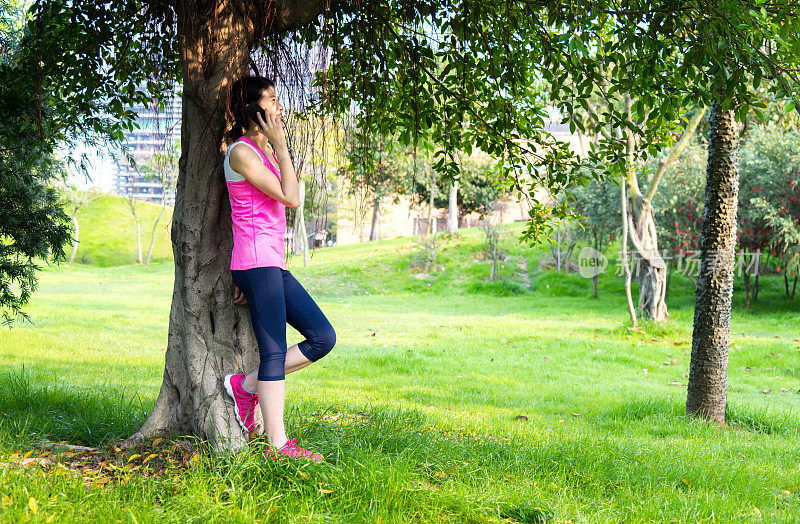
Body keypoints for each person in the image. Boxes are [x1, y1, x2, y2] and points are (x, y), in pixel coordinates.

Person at [222, 75, 336, 462]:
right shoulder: (241, 152)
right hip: (257, 264)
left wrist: (278, 149)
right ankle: (277, 445)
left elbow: (293, 196)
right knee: (273, 354)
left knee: (323, 337)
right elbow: (291, 197)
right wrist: (283, 146)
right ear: (251, 108)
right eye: (271, 100)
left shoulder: (261, 152)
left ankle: (244, 387)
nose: (279, 106)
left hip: (270, 264)